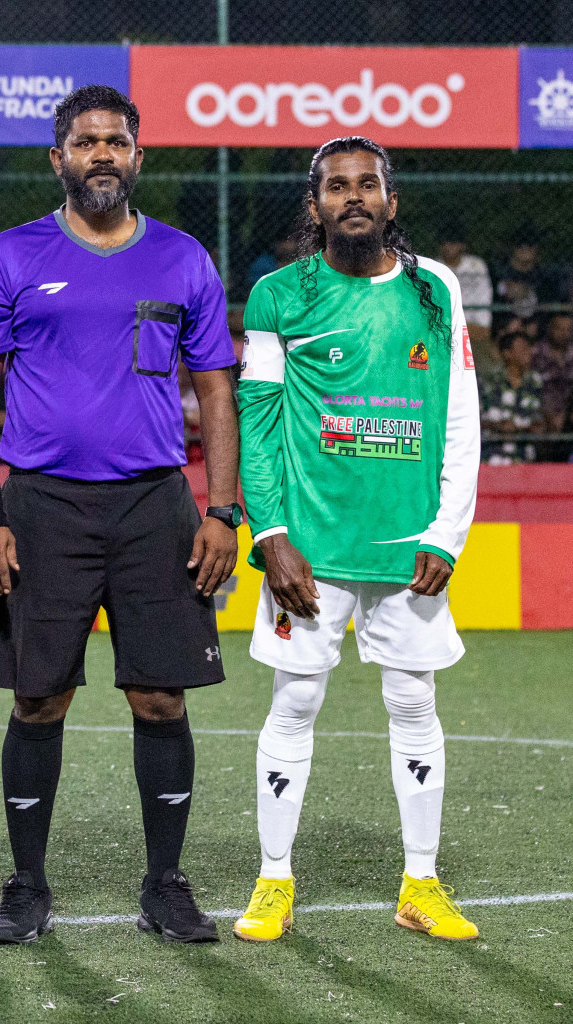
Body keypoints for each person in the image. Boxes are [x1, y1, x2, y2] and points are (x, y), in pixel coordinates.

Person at [0, 85, 241, 945]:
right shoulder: (11, 255)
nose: (102, 154)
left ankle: (165, 884)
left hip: (157, 502)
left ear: (138, 156)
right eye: (85, 142)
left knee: (161, 698)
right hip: (40, 505)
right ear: (59, 159)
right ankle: (27, 886)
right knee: (38, 699)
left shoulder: (184, 259)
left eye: (116, 140)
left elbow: (216, 393)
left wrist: (222, 510)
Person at [234, 136, 481, 943]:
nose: (353, 197)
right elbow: (259, 425)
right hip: (311, 549)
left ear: (391, 201)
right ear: (314, 207)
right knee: (295, 701)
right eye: (335, 186)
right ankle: (274, 882)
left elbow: (459, 419)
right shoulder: (279, 295)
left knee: (415, 701)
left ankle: (421, 882)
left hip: (408, 548)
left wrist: (446, 533)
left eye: (367, 184)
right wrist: (269, 534)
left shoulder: (436, 291)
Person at [479, 328, 544, 464]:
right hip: (491, 457)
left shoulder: (535, 382)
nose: (528, 352)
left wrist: (518, 428)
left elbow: (541, 423)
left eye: (528, 348)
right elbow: (474, 420)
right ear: (507, 354)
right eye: (522, 349)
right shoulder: (489, 382)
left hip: (524, 459)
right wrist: (498, 426)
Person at [437, 223, 493, 361]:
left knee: (491, 364)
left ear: (462, 245)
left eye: (453, 242)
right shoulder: (434, 268)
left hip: (476, 331)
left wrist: (481, 329)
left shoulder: (476, 266)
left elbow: (484, 304)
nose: (448, 247)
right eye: (445, 242)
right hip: (445, 334)